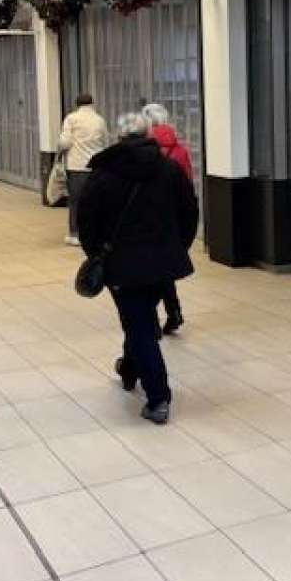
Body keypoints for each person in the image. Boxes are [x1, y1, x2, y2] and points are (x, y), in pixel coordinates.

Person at [77, 112, 198, 424]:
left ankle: (159, 398)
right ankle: (129, 369)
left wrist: (98, 256)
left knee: (140, 326)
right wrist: (176, 249)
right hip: (163, 265)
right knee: (140, 320)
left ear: (118, 137)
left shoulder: (103, 174)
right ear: (148, 135)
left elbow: (86, 223)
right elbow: (189, 213)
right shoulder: (170, 170)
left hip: (121, 268)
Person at [141, 103, 193, 335]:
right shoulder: (180, 151)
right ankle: (173, 312)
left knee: (148, 270)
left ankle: (153, 318)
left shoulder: (144, 153)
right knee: (163, 268)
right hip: (172, 220)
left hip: (147, 218)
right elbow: (188, 189)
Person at [58, 93, 108, 246]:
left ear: (77, 104)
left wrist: (60, 147)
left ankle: (75, 234)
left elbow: (65, 142)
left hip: (77, 166)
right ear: (92, 103)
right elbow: (105, 142)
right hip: (96, 166)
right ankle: (96, 231)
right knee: (95, 200)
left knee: (76, 201)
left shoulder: (71, 119)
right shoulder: (100, 120)